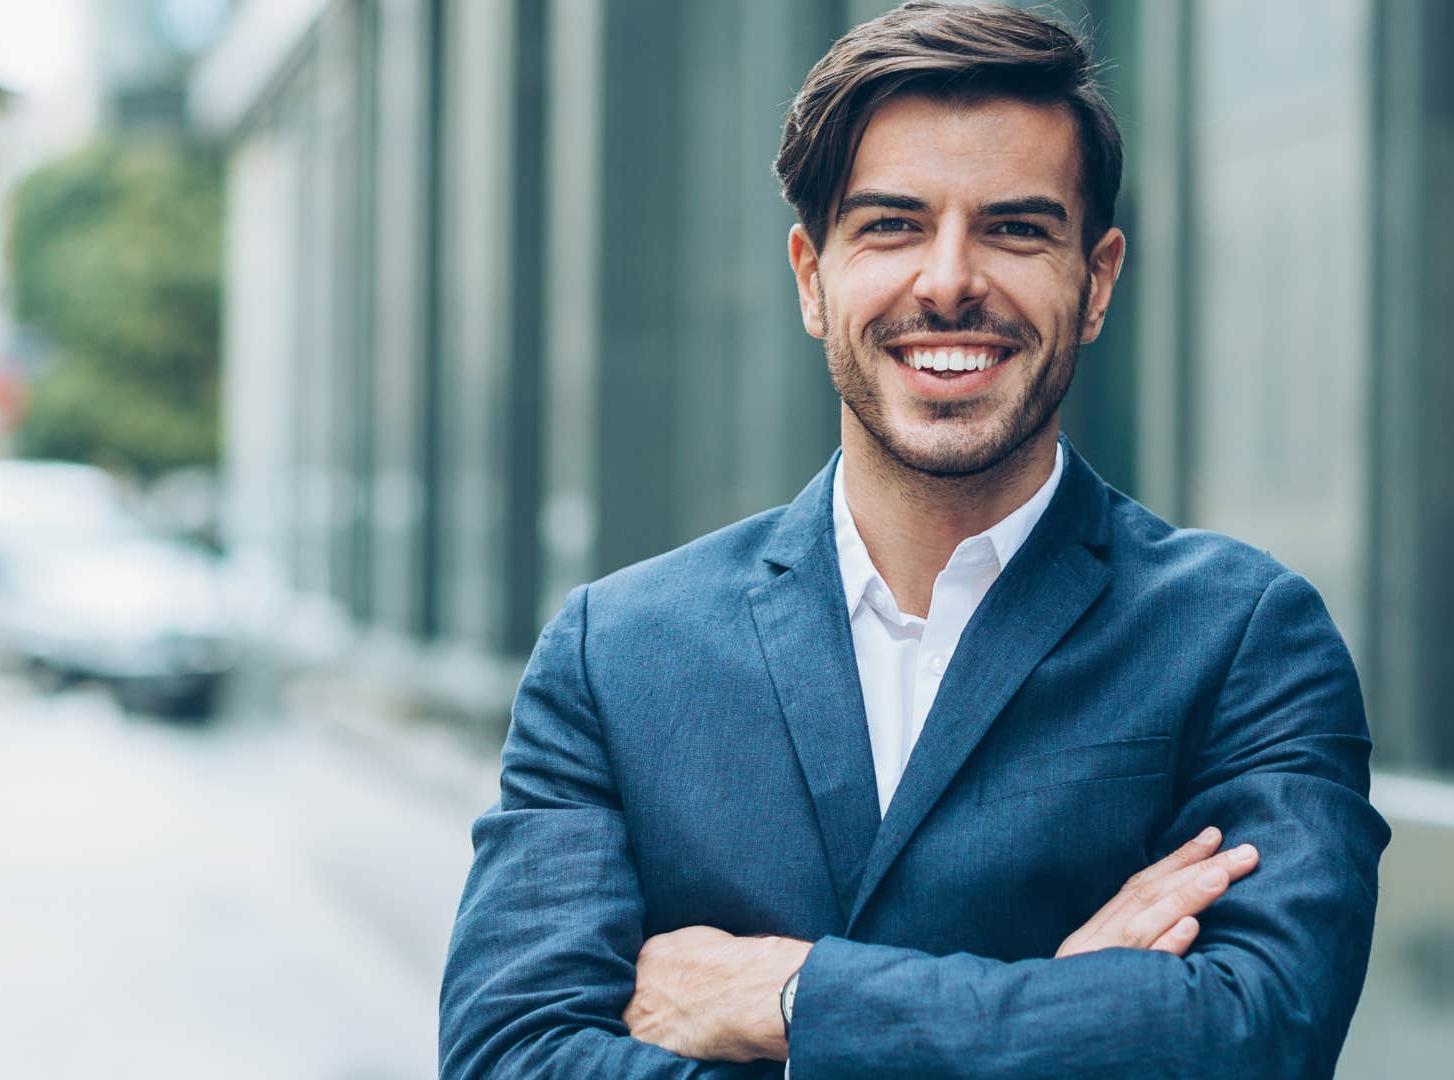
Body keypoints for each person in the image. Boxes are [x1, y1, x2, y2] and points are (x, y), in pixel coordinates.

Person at [439, 3, 1390, 1076]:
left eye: (1016, 229)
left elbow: (1254, 1036)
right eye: (892, 225)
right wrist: (1067, 1008)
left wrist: (794, 997)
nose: (948, 280)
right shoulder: (616, 653)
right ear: (811, 276)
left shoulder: (1244, 640)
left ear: (1099, 281)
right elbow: (508, 1057)